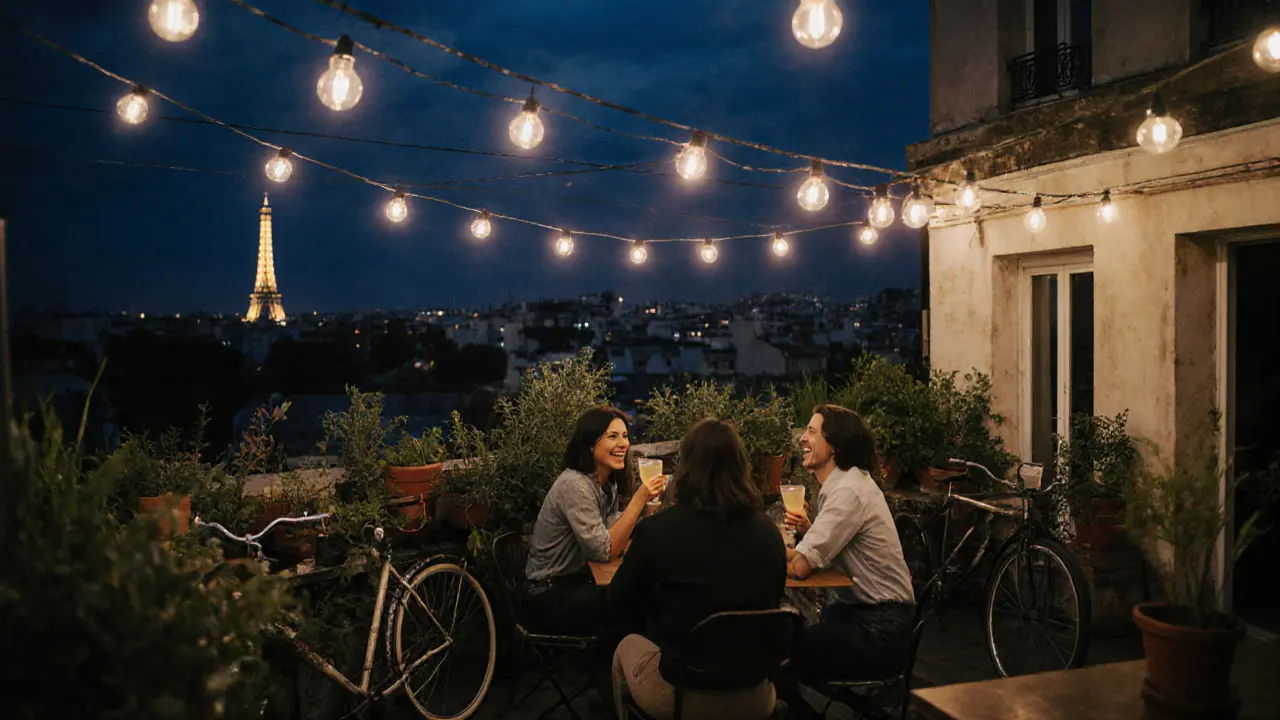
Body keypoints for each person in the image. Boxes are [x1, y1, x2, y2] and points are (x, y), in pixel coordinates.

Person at [609, 419, 788, 720]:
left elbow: (617, 603)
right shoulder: (768, 532)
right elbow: (774, 598)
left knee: (625, 647)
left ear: (685, 467)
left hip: (682, 697)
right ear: (740, 466)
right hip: (756, 696)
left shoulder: (658, 531)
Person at [782, 404, 915, 716]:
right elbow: (821, 555)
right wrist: (806, 534)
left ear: (835, 446)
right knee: (785, 640)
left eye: (812, 432)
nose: (802, 438)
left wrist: (760, 547)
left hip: (879, 631)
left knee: (777, 649)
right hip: (862, 617)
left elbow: (801, 567)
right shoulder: (844, 486)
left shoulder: (848, 492)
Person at [523, 406, 664, 636]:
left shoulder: (605, 484)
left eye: (625, 436)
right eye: (612, 436)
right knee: (637, 603)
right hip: (547, 596)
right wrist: (639, 499)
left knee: (642, 595)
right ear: (590, 445)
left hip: (576, 583)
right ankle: (627, 665)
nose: (623, 444)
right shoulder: (575, 486)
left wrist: (645, 509)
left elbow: (613, 536)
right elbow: (605, 550)